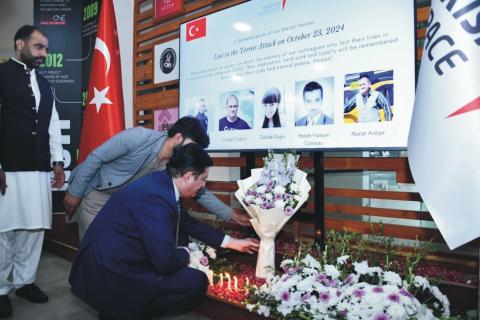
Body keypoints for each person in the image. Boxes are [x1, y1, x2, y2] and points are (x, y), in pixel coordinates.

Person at [69, 144, 260, 320]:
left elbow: (188, 224)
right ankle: (122, 312)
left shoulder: (162, 183)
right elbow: (165, 263)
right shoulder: (157, 200)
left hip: (114, 259)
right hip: (110, 272)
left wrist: (232, 242)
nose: (203, 185)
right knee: (195, 283)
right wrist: (187, 252)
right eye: (203, 179)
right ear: (188, 176)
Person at [64, 117, 250, 240]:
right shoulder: (137, 137)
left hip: (123, 203)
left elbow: (198, 190)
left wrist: (230, 214)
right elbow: (96, 157)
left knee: (117, 247)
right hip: (96, 194)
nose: (192, 152)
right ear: (177, 137)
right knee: (96, 244)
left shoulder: (177, 162)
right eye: (191, 146)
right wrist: (74, 192)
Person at [0, 25, 65, 318]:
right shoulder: (1, 75)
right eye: (39, 47)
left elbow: (52, 124)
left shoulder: (45, 83)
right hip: (8, 169)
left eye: (46, 49)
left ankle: (25, 282)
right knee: (5, 231)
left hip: (39, 170)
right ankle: (1, 289)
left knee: (35, 229)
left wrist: (58, 161)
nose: (44, 54)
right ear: (19, 45)